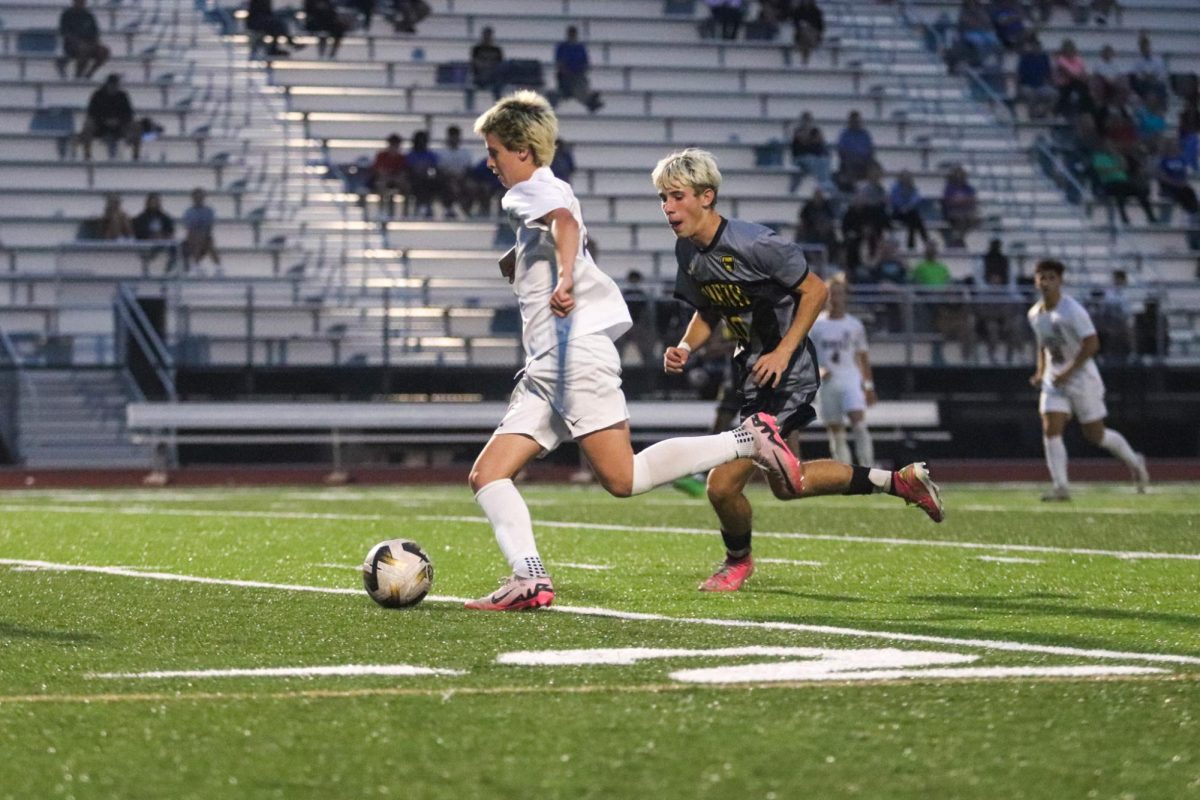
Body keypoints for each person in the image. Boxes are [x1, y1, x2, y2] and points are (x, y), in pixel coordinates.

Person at [463, 92, 801, 611]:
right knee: (488, 474)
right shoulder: (546, 188)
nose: (490, 162)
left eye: (495, 151)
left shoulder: (526, 191)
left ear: (522, 151)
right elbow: (560, 228)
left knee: (625, 478)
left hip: (571, 355)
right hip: (549, 363)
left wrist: (565, 277)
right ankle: (528, 577)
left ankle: (747, 439)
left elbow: (566, 226)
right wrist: (524, 262)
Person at [653, 147, 944, 593]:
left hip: (786, 379)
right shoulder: (687, 250)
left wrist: (784, 352)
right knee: (789, 485)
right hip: (752, 374)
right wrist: (685, 346)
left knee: (720, 486)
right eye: (662, 198)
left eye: (676, 196)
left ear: (707, 196)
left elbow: (816, 290)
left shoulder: (756, 243)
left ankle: (737, 562)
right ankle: (899, 481)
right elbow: (709, 310)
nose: (668, 208)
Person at [1027, 259, 1149, 501]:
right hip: (1055, 379)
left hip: (1082, 378)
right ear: (1036, 281)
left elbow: (1092, 344)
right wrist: (1042, 371)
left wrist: (1068, 372)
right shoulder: (1034, 313)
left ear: (1060, 281)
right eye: (1042, 277)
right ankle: (1061, 487)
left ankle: (1135, 461)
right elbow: (1043, 343)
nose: (1046, 282)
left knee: (1096, 435)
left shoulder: (1072, 310)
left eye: (1051, 277)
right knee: (1051, 429)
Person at [809, 273, 876, 466]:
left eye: (839, 294)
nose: (835, 298)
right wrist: (818, 370)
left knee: (859, 424)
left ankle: (868, 469)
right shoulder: (816, 325)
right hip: (827, 384)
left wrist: (868, 386)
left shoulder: (854, 325)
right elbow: (806, 355)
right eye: (831, 294)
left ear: (845, 297)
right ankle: (846, 474)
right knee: (836, 431)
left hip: (850, 379)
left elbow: (863, 357)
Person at [79, 73, 140, 161]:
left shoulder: (122, 96)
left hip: (119, 125)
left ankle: (136, 156)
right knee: (88, 125)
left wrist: (118, 121)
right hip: (100, 125)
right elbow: (91, 113)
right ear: (107, 85)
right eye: (112, 85)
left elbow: (129, 114)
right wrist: (104, 121)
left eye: (116, 85)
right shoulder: (97, 95)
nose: (114, 87)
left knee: (136, 127)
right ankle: (87, 155)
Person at [552, 26, 603, 113]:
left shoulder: (580, 47)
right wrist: (564, 70)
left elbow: (585, 61)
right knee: (576, 88)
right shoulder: (562, 47)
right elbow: (559, 61)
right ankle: (589, 100)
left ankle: (589, 100)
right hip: (566, 75)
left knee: (580, 86)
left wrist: (581, 70)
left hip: (578, 74)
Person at [57, 0, 109, 79]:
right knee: (84, 48)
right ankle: (78, 75)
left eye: (82, 2)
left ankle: (89, 74)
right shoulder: (67, 14)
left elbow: (95, 33)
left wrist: (95, 43)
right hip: (71, 45)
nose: (80, 3)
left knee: (104, 51)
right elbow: (64, 32)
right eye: (78, 1)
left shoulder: (88, 15)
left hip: (89, 43)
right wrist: (78, 42)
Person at [788, 111, 832, 194]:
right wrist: (810, 137)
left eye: (808, 120)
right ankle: (822, 182)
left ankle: (825, 182)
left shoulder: (815, 131)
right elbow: (804, 142)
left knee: (824, 160)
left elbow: (820, 144)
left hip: (814, 158)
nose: (807, 122)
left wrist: (814, 139)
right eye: (805, 120)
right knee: (811, 161)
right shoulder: (798, 131)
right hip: (800, 158)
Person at [435, 125, 474, 218]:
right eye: (452, 137)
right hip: (446, 179)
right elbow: (439, 170)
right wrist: (451, 178)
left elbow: (468, 170)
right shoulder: (441, 152)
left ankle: (466, 209)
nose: (454, 139)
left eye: (456, 137)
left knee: (472, 186)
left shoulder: (465, 153)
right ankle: (449, 208)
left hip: (462, 179)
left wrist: (461, 178)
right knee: (449, 185)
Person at [132, 192, 176, 270]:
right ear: (147, 203)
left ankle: (170, 266)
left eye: (156, 202)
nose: (154, 204)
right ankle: (148, 258)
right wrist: (151, 235)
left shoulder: (164, 217)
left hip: (162, 240)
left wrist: (162, 235)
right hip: (146, 241)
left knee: (174, 244)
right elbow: (138, 232)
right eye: (152, 202)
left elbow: (170, 230)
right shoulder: (141, 217)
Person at [1016, 35, 1056, 120]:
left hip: (1040, 85)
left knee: (1054, 94)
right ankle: (1032, 115)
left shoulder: (1044, 58)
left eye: (1037, 46)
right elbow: (1019, 75)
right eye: (1034, 46)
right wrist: (1018, 88)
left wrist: (1052, 84)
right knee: (1031, 94)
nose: (1036, 48)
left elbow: (1049, 74)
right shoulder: (1025, 58)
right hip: (1026, 85)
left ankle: (1042, 113)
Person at [369, 133, 409, 219]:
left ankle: (405, 214)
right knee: (381, 183)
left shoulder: (401, 158)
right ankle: (382, 210)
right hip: (384, 180)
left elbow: (403, 172)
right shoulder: (381, 156)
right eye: (392, 145)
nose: (394, 147)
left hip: (396, 181)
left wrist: (395, 178)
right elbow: (378, 170)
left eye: (396, 145)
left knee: (406, 186)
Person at [181, 187, 221, 272]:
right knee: (198, 238)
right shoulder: (189, 212)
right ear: (193, 198)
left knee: (206, 240)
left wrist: (204, 235)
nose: (198, 199)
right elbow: (189, 229)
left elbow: (209, 227)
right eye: (196, 197)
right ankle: (199, 265)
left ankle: (216, 266)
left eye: (200, 197)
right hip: (192, 238)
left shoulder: (209, 211)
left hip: (205, 236)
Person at [834, 110, 875, 191]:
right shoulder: (844, 134)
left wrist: (865, 158)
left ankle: (874, 190)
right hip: (850, 161)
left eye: (857, 121)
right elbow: (841, 151)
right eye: (853, 121)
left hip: (864, 161)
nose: (855, 123)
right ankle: (852, 190)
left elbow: (870, 149)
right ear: (849, 122)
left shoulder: (865, 134)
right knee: (848, 165)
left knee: (876, 166)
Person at [888, 169, 929, 250]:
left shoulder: (912, 187)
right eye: (904, 177)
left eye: (908, 177)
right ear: (900, 178)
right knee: (915, 218)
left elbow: (916, 198)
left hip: (909, 212)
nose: (906, 179)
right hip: (897, 212)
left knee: (914, 218)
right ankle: (925, 241)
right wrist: (903, 207)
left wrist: (908, 207)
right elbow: (895, 199)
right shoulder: (895, 188)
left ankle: (912, 245)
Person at [940, 165, 978, 247]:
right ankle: (957, 239)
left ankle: (959, 238)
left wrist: (960, 200)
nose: (960, 177)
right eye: (958, 174)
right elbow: (949, 201)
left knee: (974, 219)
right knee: (960, 219)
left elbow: (972, 200)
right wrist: (963, 201)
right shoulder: (949, 188)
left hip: (966, 211)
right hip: (952, 211)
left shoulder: (968, 187)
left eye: (962, 175)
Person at [404, 130, 439, 218]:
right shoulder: (410, 155)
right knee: (414, 183)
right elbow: (408, 169)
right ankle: (415, 208)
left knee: (432, 182)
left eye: (423, 141)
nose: (421, 143)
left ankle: (427, 206)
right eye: (419, 141)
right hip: (413, 179)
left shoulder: (430, 155)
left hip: (427, 180)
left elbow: (434, 168)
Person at [470, 27, 505, 99]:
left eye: (489, 36)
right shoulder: (477, 49)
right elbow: (475, 64)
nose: (487, 38)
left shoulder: (497, 50)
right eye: (486, 35)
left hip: (493, 76)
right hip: (480, 76)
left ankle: (498, 103)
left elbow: (500, 65)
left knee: (498, 82)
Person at [790, 0, 824, 65]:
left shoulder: (816, 11)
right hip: (801, 35)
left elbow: (820, 26)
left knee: (807, 32)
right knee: (804, 32)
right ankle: (805, 56)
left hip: (813, 33)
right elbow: (795, 23)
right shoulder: (798, 11)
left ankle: (804, 57)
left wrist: (810, 26)